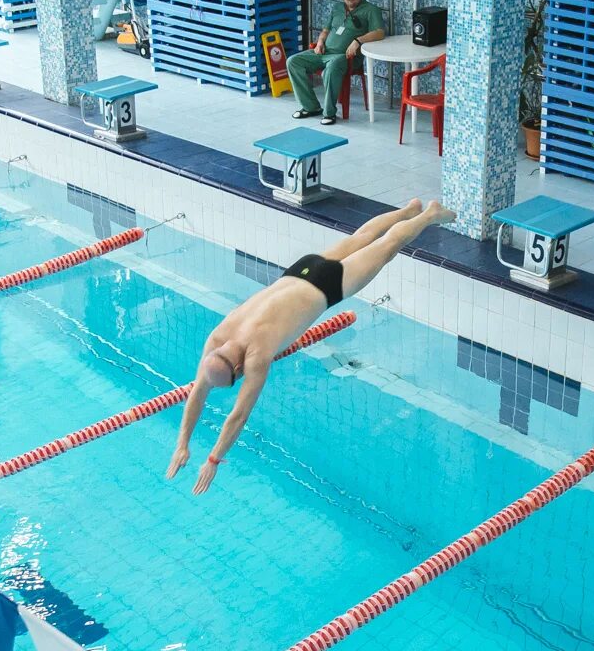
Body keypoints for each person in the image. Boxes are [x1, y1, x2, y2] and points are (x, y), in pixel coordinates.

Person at [166, 199, 455, 494]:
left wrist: (214, 460)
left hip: (327, 286)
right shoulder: (218, 337)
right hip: (299, 271)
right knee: (361, 238)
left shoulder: (257, 355)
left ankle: (429, 214)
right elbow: (198, 391)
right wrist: (182, 444)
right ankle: (409, 210)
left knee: (388, 247)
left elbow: (238, 415)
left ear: (238, 369)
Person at [286, 0, 385, 126]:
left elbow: (379, 33)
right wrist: (320, 42)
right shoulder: (337, 8)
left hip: (345, 56)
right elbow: (326, 30)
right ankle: (310, 107)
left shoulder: (371, 10)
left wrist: (358, 41)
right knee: (293, 61)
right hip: (324, 52)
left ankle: (329, 113)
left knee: (332, 67)